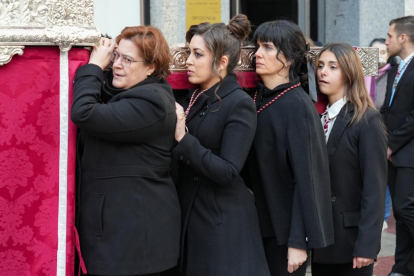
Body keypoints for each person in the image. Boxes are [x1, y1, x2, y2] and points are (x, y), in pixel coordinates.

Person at [71, 26, 181, 276]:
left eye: (128, 60)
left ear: (151, 67)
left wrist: (94, 67)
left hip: (135, 242)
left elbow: (84, 113)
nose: (118, 65)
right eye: (116, 56)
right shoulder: (133, 93)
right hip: (121, 235)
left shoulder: (151, 102)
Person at [173, 14, 271, 276]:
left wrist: (183, 140)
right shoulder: (191, 95)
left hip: (223, 223)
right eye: (188, 53)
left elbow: (228, 170)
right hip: (191, 217)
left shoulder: (238, 103)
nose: (189, 62)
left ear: (222, 62)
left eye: (197, 54)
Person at [242, 20, 334, 276]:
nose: (258, 54)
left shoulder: (298, 106)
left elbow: (307, 180)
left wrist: (298, 241)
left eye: (268, 48)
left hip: (284, 235)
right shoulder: (255, 98)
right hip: (256, 225)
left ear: (290, 57)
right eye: (257, 46)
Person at [311, 43, 387, 276]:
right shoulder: (318, 118)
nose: (323, 72)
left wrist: (367, 245)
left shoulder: (367, 119)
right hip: (322, 238)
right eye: (321, 66)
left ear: (350, 73)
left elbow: (375, 190)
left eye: (333, 67)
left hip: (351, 241)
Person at [381, 16, 414, 276]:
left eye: (389, 36)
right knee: (400, 216)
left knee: (405, 208)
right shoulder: (395, 68)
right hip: (394, 153)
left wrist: (391, 144)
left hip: (409, 153)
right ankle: (402, 267)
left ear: (403, 38)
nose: (386, 40)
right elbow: (388, 109)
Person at [364, 38, 395, 231]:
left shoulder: (393, 74)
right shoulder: (364, 73)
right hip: (364, 129)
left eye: (383, 52)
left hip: (385, 132)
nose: (379, 56)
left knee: (383, 177)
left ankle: (383, 216)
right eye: (374, 52)